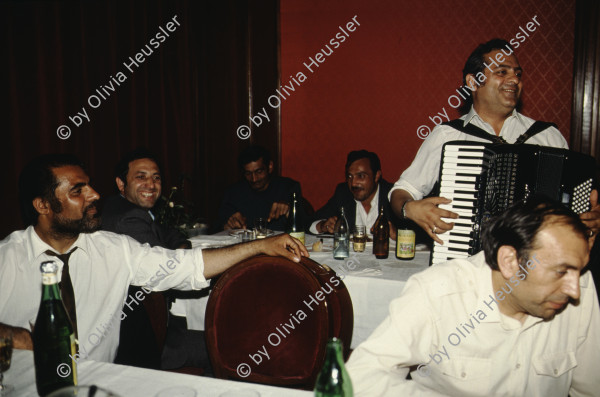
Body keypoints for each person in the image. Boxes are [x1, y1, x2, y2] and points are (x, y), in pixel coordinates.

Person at [0, 154, 307, 363]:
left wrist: (259, 247)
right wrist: (12, 335)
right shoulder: (6, 259)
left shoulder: (114, 249)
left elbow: (189, 267)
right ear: (43, 205)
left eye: (90, 186)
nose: (94, 195)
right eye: (78, 191)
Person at [346, 197, 600, 396]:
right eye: (560, 271)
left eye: (579, 270)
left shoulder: (580, 288)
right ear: (510, 261)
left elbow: (590, 389)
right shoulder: (440, 292)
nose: (574, 290)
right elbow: (361, 379)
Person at [389, 38, 600, 245]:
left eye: (518, 74)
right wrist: (409, 208)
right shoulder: (448, 136)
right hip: (466, 263)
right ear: (473, 82)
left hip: (536, 266)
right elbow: (402, 191)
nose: (515, 80)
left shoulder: (547, 136)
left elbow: (574, 209)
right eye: (502, 72)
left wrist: (590, 218)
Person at [101, 148, 194, 370]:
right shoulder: (126, 218)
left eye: (156, 178)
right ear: (121, 184)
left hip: (148, 326)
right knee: (225, 350)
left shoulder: (132, 209)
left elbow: (170, 233)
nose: (151, 185)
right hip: (140, 343)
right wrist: (179, 251)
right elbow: (169, 270)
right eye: (140, 177)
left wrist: (180, 246)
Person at [308, 150, 410, 240]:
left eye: (361, 176)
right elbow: (309, 222)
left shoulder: (394, 195)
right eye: (350, 176)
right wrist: (322, 226)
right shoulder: (343, 193)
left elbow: (420, 233)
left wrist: (397, 235)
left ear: (376, 176)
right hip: (351, 260)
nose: (353, 183)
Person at [218, 145, 303, 231]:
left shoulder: (289, 188)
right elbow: (215, 228)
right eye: (248, 173)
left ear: (270, 167)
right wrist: (227, 226)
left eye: (259, 172)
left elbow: (306, 225)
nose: (254, 179)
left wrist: (290, 211)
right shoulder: (233, 193)